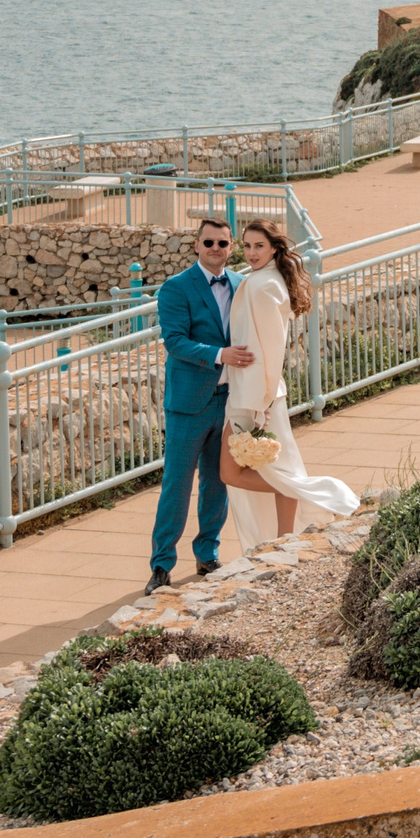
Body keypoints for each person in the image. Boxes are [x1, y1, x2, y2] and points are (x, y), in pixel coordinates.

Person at [218, 218, 360, 549]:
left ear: (274, 248)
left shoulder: (265, 285)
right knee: (270, 471)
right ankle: (285, 537)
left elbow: (271, 349)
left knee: (240, 473)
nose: (251, 253)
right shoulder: (262, 280)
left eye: (259, 246)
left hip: (256, 397)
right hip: (251, 393)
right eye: (248, 246)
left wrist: (261, 405)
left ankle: (320, 502)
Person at [146, 216, 256, 593]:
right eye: (208, 243)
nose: (215, 249)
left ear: (231, 248)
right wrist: (219, 354)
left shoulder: (243, 285)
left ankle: (207, 553)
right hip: (188, 404)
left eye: (222, 244)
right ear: (197, 246)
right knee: (176, 485)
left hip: (228, 402)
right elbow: (174, 341)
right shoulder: (176, 288)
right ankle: (162, 565)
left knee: (218, 482)